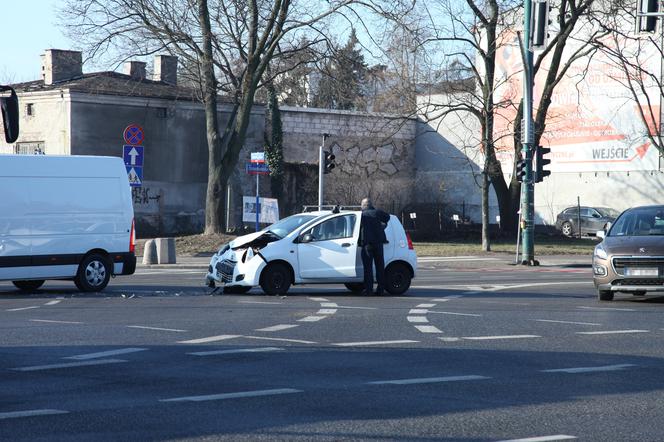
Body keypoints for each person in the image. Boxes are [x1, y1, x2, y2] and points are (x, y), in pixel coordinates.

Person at [359, 197, 390, 295]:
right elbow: (387, 218)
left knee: (368, 268)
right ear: (371, 204)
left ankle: (369, 290)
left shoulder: (361, 215)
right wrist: (382, 225)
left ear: (363, 206)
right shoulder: (377, 212)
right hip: (378, 243)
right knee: (380, 267)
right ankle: (380, 289)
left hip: (367, 244)